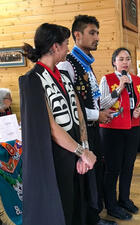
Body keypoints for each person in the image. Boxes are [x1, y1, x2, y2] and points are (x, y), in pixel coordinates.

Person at [19, 23, 96, 225]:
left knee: (76, 206)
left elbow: (77, 110)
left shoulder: (63, 76)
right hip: (54, 160)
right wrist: (82, 152)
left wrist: (84, 149)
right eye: (65, 44)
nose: (68, 49)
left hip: (75, 156)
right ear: (55, 47)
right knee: (62, 210)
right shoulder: (32, 80)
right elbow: (51, 127)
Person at [57, 15, 116, 225]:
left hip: (92, 127)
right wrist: (97, 115)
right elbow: (72, 106)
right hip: (80, 131)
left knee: (96, 170)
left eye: (98, 33)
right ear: (77, 35)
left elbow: (91, 99)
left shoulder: (87, 63)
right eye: (92, 33)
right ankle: (90, 219)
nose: (97, 37)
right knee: (85, 177)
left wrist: (103, 110)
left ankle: (95, 215)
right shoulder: (67, 65)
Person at [99, 47, 140, 220]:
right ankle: (111, 205)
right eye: (121, 59)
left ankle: (124, 199)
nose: (125, 62)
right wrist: (120, 87)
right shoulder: (107, 79)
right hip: (112, 130)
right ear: (114, 62)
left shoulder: (136, 79)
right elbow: (103, 103)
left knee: (128, 166)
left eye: (128, 59)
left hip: (133, 128)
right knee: (113, 169)